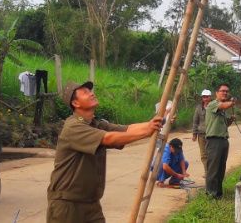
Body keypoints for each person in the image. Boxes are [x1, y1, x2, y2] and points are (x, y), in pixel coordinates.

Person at [46, 81, 162, 223]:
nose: (91, 93)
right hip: (67, 205)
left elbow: (128, 129)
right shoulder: (74, 127)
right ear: (75, 103)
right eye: (85, 93)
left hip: (91, 204)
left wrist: (155, 123)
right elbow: (110, 138)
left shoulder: (96, 124)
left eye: (90, 91)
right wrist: (148, 131)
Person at [204, 82, 236, 198]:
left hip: (223, 141)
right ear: (216, 93)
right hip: (214, 141)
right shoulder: (213, 104)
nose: (225, 93)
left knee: (221, 169)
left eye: (227, 91)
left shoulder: (223, 108)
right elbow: (222, 106)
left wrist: (231, 120)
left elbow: (224, 124)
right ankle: (210, 194)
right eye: (223, 91)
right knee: (213, 169)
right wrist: (231, 103)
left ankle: (218, 194)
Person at [192, 89, 212, 175]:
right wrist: (194, 134)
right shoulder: (199, 108)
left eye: (207, 97)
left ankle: (212, 171)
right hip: (201, 134)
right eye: (204, 97)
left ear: (210, 97)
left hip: (211, 135)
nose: (205, 99)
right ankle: (207, 171)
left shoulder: (214, 107)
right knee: (203, 155)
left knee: (211, 154)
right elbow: (195, 121)